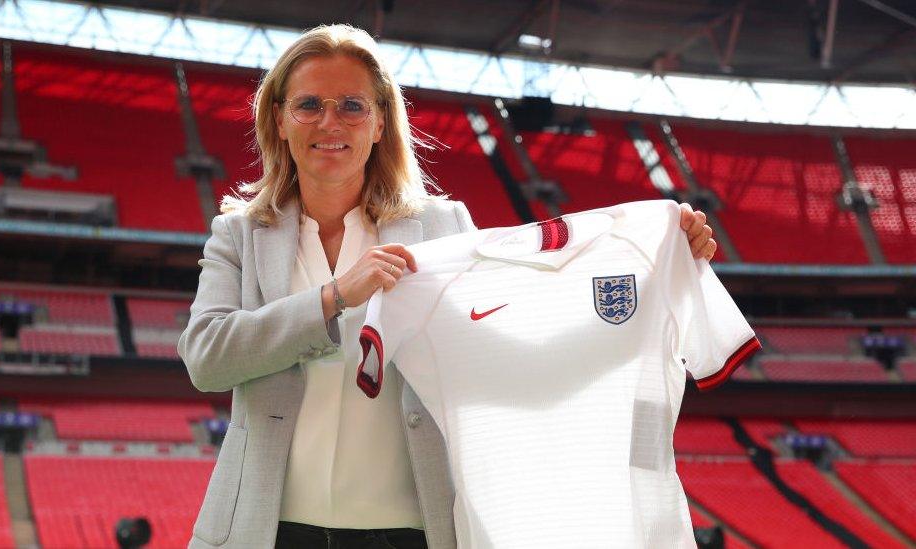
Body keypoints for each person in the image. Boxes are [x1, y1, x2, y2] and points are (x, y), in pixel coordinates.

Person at [178, 24, 717, 549]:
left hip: (410, 532)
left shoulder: (444, 228)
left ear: (381, 122)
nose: (330, 123)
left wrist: (657, 263)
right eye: (309, 105)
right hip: (265, 531)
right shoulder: (239, 234)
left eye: (352, 106)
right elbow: (206, 358)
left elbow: (510, 351)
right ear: (279, 119)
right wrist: (335, 296)